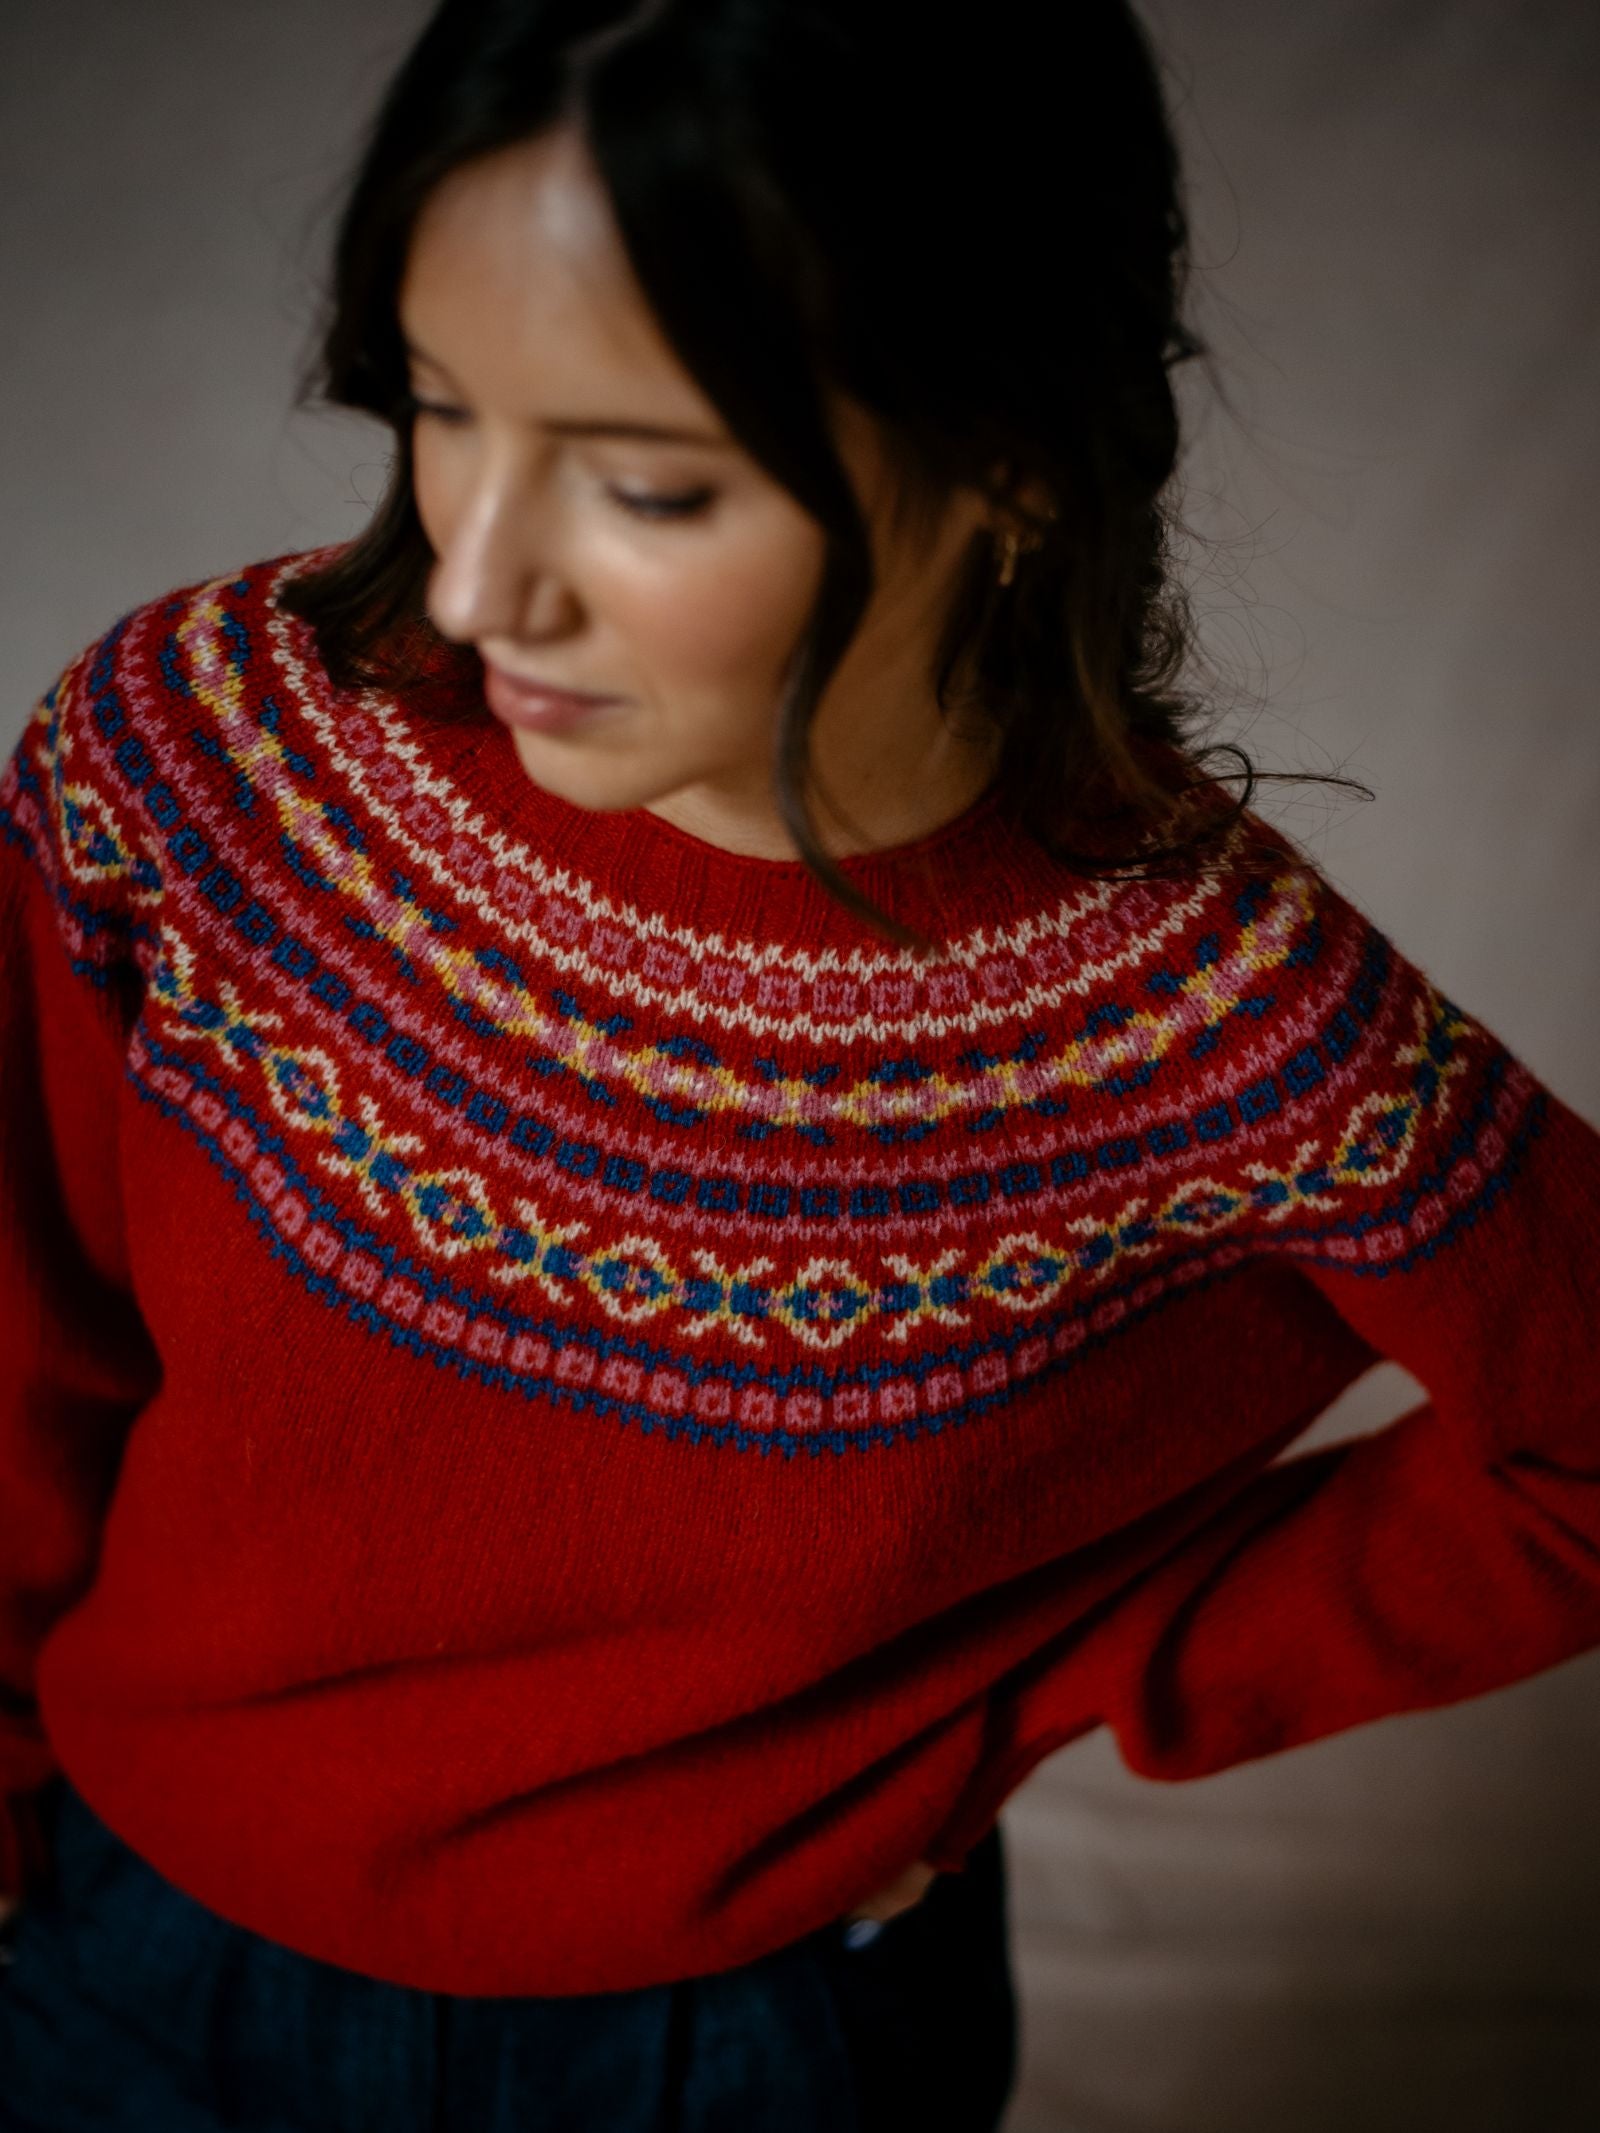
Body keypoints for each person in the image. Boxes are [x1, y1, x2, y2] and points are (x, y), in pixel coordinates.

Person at [1, 0, 1596, 2126]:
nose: (480, 577)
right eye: (437, 409)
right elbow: (16, 1336)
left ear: (1009, 450)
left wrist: (1047, 1678)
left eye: (648, 480)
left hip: (751, 2049)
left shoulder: (1218, 1019)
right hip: (121, 1963)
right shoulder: (196, 752)